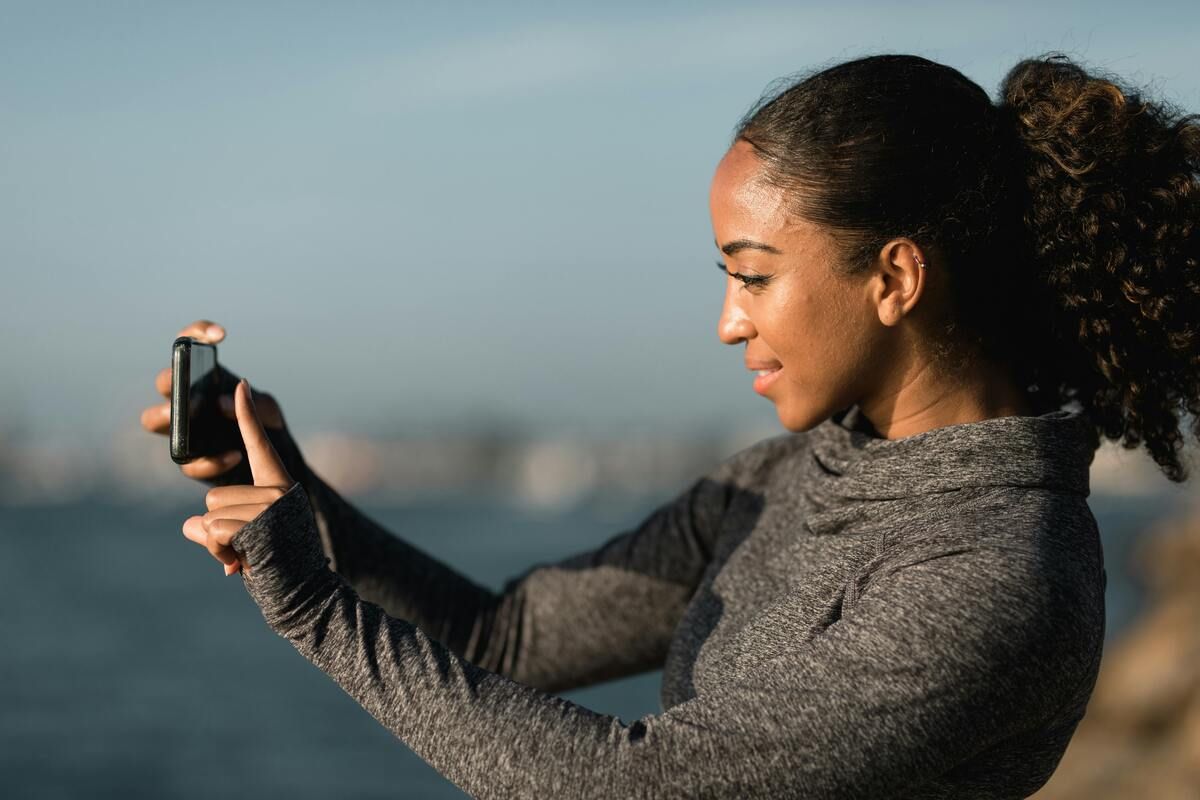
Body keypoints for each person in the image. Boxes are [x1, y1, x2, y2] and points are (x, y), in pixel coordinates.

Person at [140, 52, 1200, 798]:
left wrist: (315, 608)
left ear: (895, 276)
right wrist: (284, 485)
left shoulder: (993, 575)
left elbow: (631, 784)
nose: (729, 321)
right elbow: (502, 639)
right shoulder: (784, 477)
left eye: (753, 276)